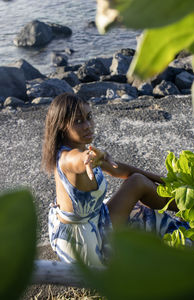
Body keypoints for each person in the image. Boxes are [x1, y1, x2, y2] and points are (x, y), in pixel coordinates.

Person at [42, 92, 185, 267]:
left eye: (89, 117)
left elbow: (122, 170)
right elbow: (77, 161)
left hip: (82, 230)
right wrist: (88, 158)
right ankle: (190, 209)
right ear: (62, 126)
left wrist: (169, 182)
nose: (88, 126)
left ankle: (187, 207)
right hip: (87, 248)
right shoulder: (69, 157)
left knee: (140, 203)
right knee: (138, 186)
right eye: (78, 121)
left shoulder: (73, 149)